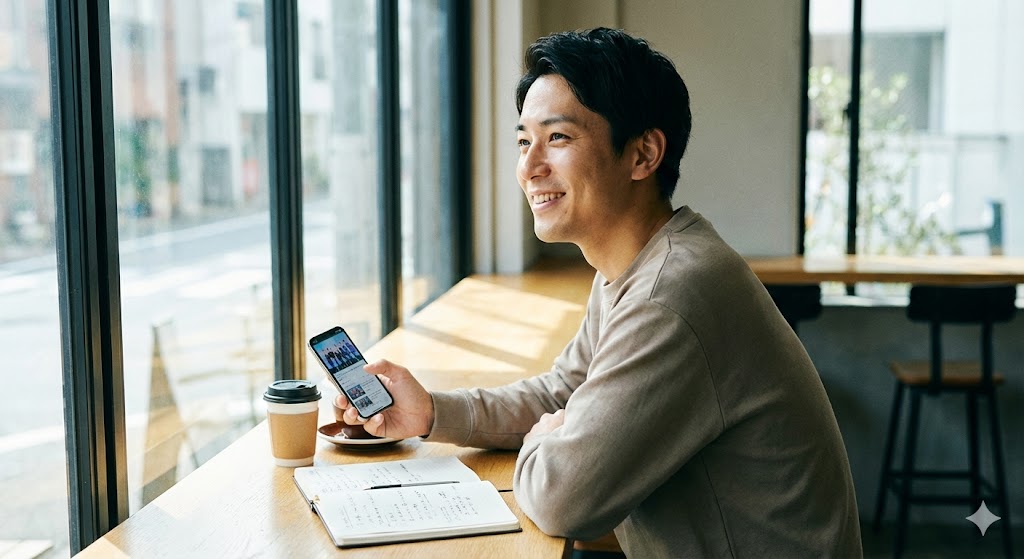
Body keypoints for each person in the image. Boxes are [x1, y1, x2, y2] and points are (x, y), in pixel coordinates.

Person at [335, 27, 862, 557]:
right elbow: (564, 393)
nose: (529, 166)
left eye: (557, 138)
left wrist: (548, 438)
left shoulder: (670, 294)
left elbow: (566, 500)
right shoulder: (636, 265)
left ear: (642, 154)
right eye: (524, 141)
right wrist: (430, 412)